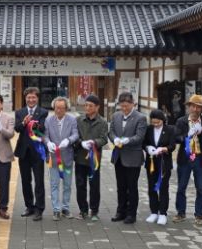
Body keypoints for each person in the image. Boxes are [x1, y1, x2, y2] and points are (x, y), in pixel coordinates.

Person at [174, 94, 202, 226]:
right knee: (181, 187)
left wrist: (201, 134)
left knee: (200, 188)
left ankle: (199, 214)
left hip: (199, 159)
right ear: (189, 107)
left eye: (199, 107)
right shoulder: (181, 121)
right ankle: (181, 213)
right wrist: (187, 135)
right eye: (193, 106)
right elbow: (176, 138)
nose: (196, 109)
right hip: (185, 158)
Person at [108, 92, 147, 224]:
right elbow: (111, 131)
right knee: (121, 186)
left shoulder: (140, 118)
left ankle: (131, 214)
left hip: (133, 157)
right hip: (119, 156)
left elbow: (139, 137)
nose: (124, 108)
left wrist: (127, 140)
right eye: (122, 106)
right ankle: (121, 211)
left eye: (127, 106)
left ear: (132, 104)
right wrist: (115, 139)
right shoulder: (116, 115)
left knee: (131, 186)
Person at [14, 87, 48, 220]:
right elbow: (17, 129)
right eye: (29, 97)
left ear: (37, 98)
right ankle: (29, 206)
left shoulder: (43, 112)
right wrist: (24, 122)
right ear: (25, 98)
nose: (31, 100)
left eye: (33, 97)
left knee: (39, 181)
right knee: (25, 180)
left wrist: (33, 124)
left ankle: (39, 208)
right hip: (24, 151)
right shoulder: (20, 112)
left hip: (37, 151)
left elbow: (43, 128)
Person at [43, 97, 79, 221]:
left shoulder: (72, 120)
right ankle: (56, 209)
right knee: (54, 184)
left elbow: (75, 134)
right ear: (54, 108)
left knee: (67, 185)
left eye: (62, 108)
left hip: (67, 157)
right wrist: (48, 143)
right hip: (53, 158)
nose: (59, 110)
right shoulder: (48, 120)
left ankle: (65, 207)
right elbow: (45, 136)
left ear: (66, 109)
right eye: (57, 108)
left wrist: (68, 140)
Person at [74, 94, 108, 221]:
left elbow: (104, 139)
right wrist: (81, 142)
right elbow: (74, 135)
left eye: (90, 106)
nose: (87, 108)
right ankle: (83, 210)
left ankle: (94, 211)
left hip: (94, 160)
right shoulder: (78, 120)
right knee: (80, 185)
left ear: (97, 107)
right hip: (80, 157)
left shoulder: (102, 122)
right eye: (86, 105)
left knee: (94, 185)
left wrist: (94, 142)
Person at [143, 109, 176, 226]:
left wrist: (164, 149)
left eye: (158, 122)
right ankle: (154, 212)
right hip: (151, 162)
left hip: (164, 163)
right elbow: (144, 143)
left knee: (163, 188)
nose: (156, 124)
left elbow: (172, 145)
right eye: (153, 122)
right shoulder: (148, 129)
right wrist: (148, 148)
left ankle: (163, 213)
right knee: (152, 187)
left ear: (163, 120)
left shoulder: (170, 129)